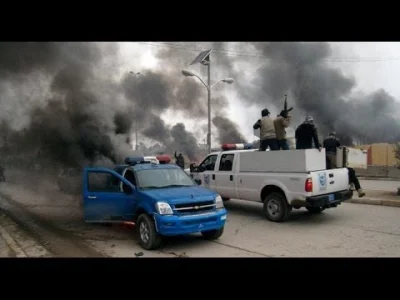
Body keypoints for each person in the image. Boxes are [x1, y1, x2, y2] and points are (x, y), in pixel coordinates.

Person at [323, 132, 366, 198]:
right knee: (351, 172)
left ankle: (354, 188)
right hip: (336, 160)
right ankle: (356, 189)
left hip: (327, 157)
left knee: (349, 172)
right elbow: (339, 147)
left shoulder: (325, 141)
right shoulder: (337, 142)